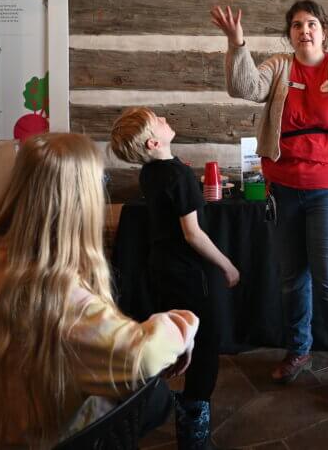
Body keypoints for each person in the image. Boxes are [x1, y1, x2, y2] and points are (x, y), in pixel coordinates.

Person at [0, 132, 198, 449]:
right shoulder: (58, 298)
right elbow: (146, 356)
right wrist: (183, 325)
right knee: (154, 398)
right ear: (83, 200)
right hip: (38, 440)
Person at [211, 0, 328, 413]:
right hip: (284, 188)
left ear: (324, 31)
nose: (304, 30)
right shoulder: (279, 67)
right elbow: (245, 88)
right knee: (292, 279)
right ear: (289, 33)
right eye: (296, 25)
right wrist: (236, 42)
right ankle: (299, 351)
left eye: (311, 24)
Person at [110, 107, 240, 449]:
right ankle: (194, 432)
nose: (167, 120)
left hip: (163, 270)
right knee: (205, 346)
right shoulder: (177, 175)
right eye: (160, 120)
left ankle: (166, 406)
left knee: (181, 340)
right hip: (190, 273)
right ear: (154, 141)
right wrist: (227, 266)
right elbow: (193, 234)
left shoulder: (151, 174)